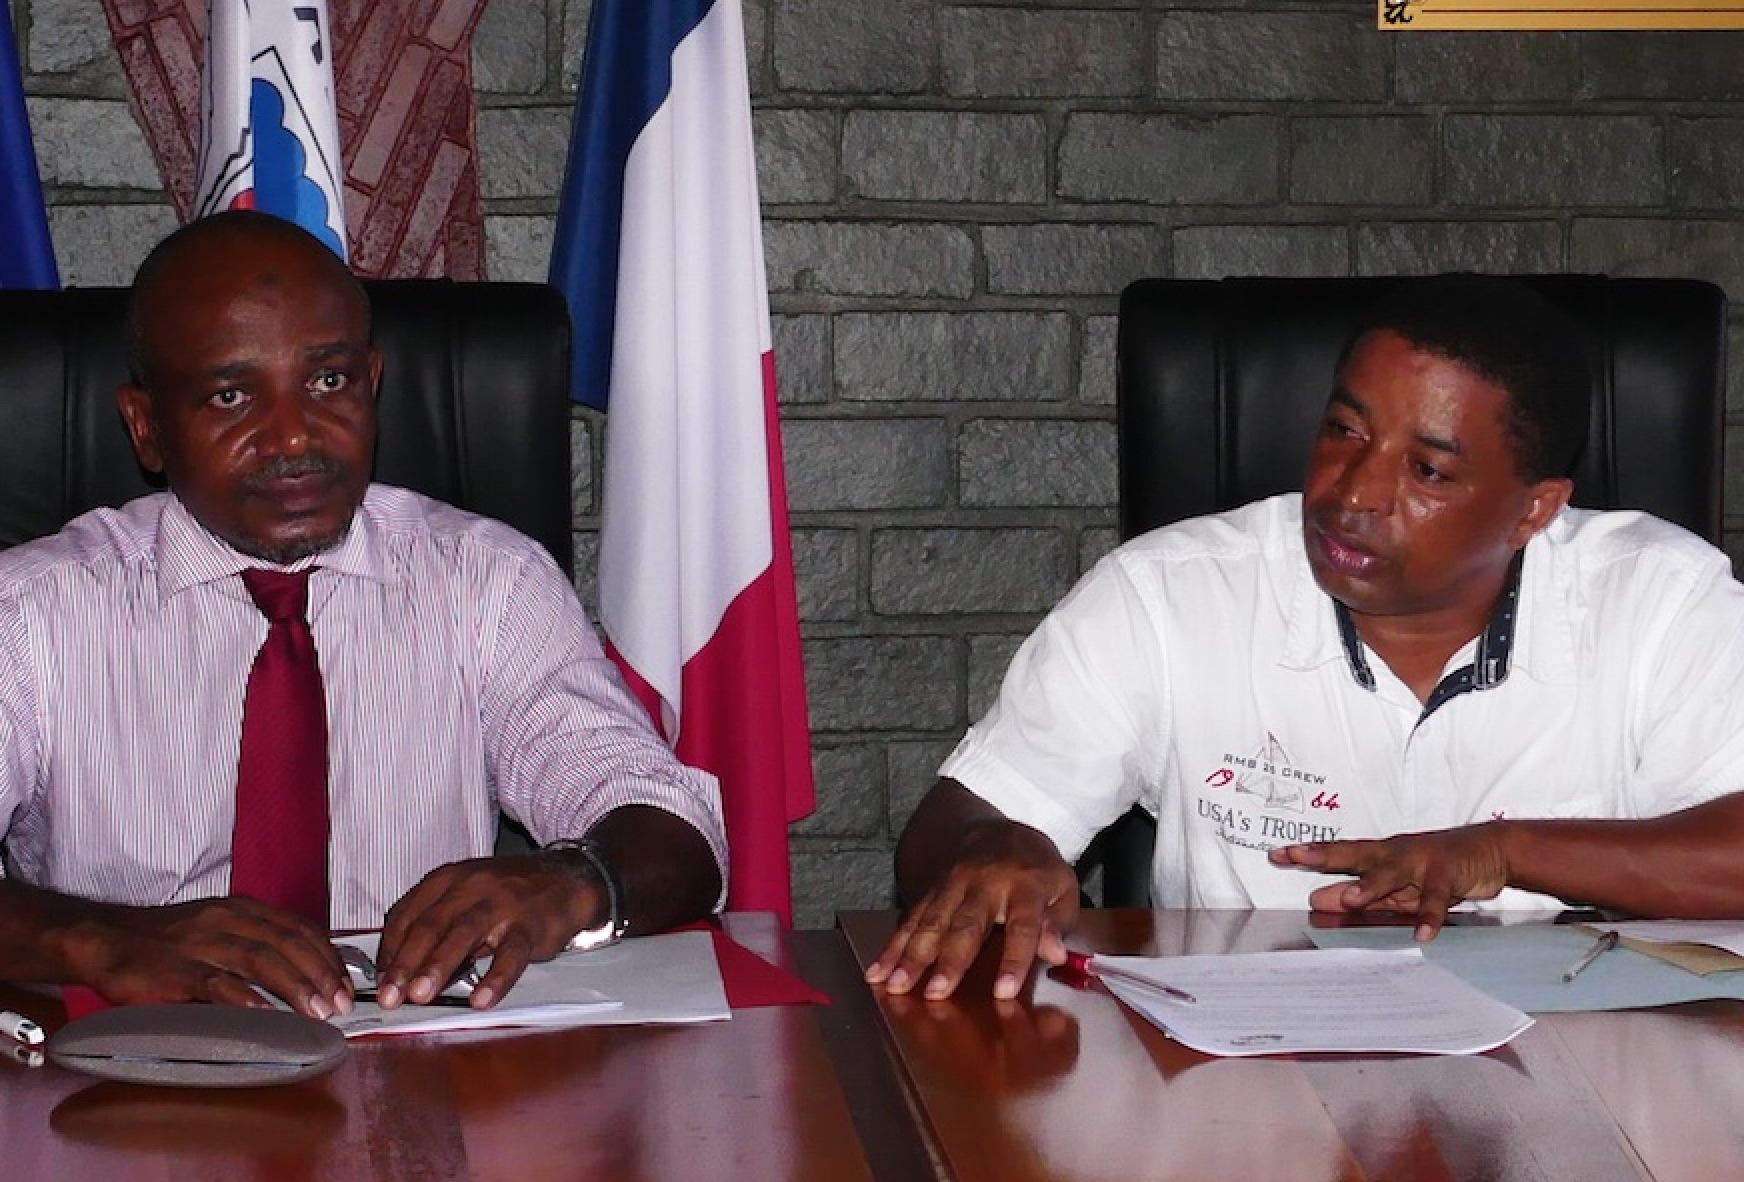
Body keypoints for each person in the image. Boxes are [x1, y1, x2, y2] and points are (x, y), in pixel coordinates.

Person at [868, 273, 1744, 1001]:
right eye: (1343, 430)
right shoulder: (1170, 594)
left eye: (1427, 470)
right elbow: (958, 822)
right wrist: (995, 849)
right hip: (1248, 1087)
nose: (1353, 491)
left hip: (1575, 1070)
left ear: (1534, 510)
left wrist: (1503, 853)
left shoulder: (1659, 601)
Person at [0, 211, 726, 1019]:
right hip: (133, 1066)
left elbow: (674, 828)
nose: (293, 437)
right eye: (232, 396)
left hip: (425, 1054)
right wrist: (102, 940)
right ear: (147, 427)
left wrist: (573, 882)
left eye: (328, 382)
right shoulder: (31, 612)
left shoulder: (488, 582)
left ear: (372, 382)